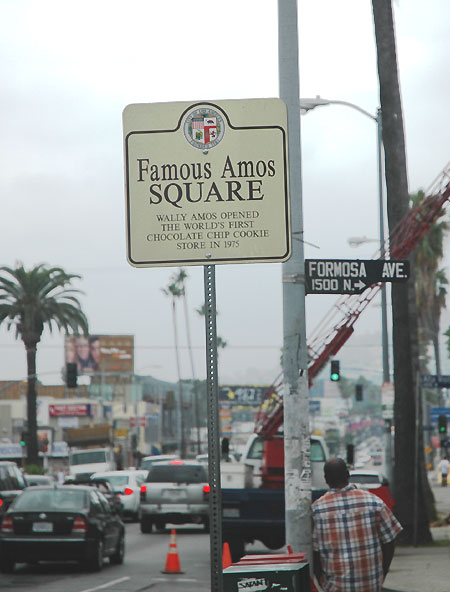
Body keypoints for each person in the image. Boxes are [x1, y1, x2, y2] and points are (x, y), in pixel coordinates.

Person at [312, 457, 402, 592]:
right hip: (371, 583)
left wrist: (321, 581)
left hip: (335, 587)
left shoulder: (317, 510)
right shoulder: (374, 502)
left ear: (326, 479)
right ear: (348, 475)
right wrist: (382, 572)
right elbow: (389, 542)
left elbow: (315, 553)